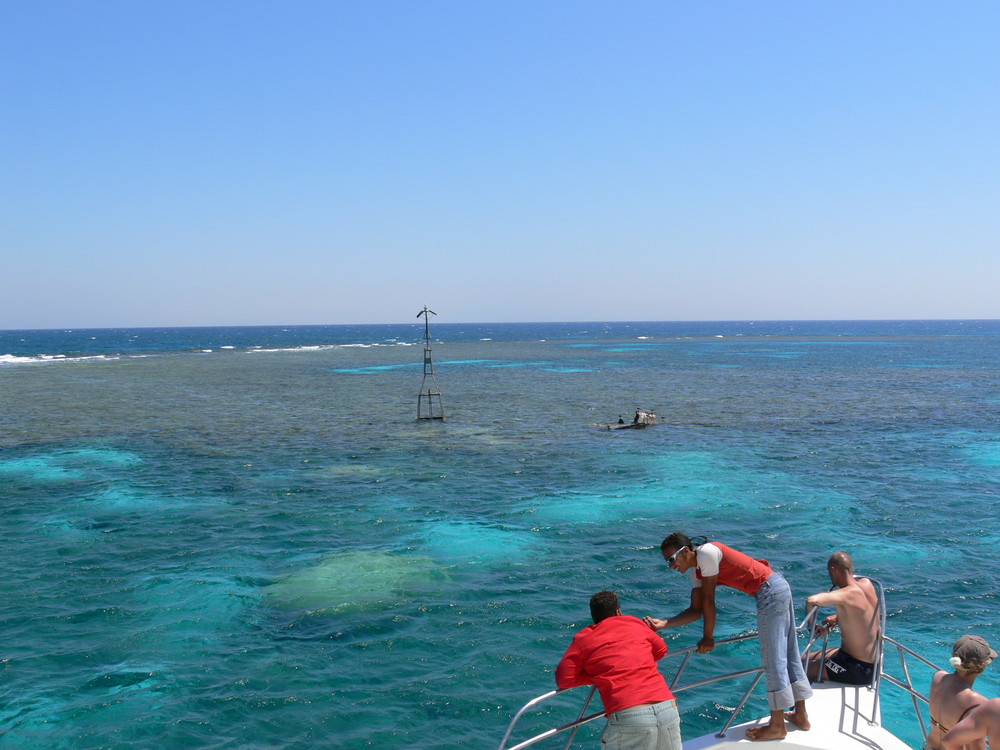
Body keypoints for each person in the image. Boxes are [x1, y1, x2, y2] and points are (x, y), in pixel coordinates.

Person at [644, 533, 811, 742]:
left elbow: (709, 602)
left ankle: (777, 725)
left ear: (686, 551)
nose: (670, 566)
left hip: (769, 592)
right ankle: (801, 715)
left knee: (774, 659)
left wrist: (708, 637)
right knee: (788, 653)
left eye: (671, 559)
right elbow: (696, 610)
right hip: (776, 588)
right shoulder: (697, 573)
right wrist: (665, 623)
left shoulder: (706, 553)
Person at [556, 590, 681, 750]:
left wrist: (596, 675)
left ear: (594, 617)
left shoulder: (584, 638)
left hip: (629, 715)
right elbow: (661, 650)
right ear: (618, 612)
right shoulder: (635, 623)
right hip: (666, 708)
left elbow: (564, 679)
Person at [803, 552, 880, 684]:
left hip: (857, 668)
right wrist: (838, 617)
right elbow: (863, 610)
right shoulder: (867, 584)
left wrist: (812, 627)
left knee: (798, 671)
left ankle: (799, 705)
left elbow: (811, 601)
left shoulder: (846, 594)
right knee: (802, 659)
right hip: (868, 662)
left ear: (834, 569)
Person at [926, 635, 996, 750]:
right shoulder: (977, 702)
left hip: (930, 745)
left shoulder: (938, 677)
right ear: (983, 664)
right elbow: (976, 747)